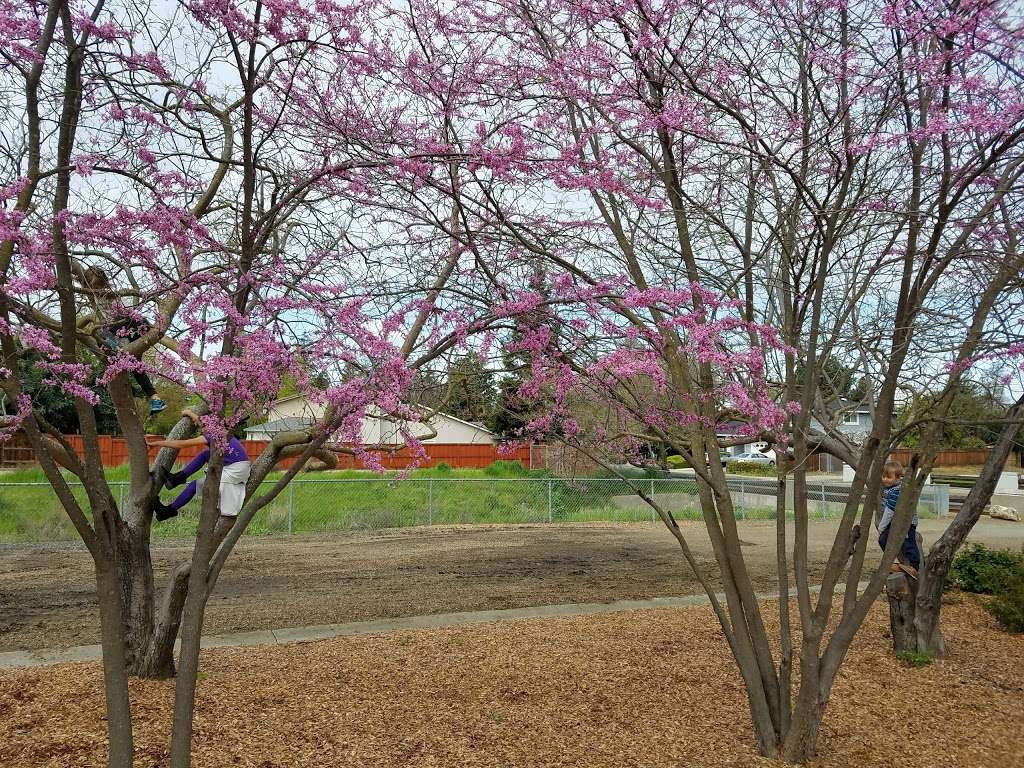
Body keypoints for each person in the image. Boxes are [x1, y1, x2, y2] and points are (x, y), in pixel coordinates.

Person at [79, 266, 165, 416]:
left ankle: (113, 347)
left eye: (99, 286)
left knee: (101, 333)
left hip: (134, 325)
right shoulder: (93, 297)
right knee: (135, 366)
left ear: (105, 284)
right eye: (93, 287)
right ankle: (155, 398)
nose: (97, 290)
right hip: (123, 332)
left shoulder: (114, 296)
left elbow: (126, 316)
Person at [147, 409, 251, 524]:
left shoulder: (212, 435)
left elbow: (181, 444)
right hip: (240, 467)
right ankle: (177, 479)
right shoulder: (219, 433)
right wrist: (188, 413)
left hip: (235, 471)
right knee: (205, 454)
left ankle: (168, 511)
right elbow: (200, 420)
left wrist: (155, 444)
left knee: (195, 485)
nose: (199, 427)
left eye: (200, 425)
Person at [877, 459, 921, 578]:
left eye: (888, 477)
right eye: (884, 476)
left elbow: (890, 511)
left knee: (909, 543)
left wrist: (882, 527)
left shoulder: (897, 490)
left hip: (906, 523)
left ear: (898, 478)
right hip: (895, 522)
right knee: (883, 540)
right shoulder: (890, 489)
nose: (885, 479)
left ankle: (914, 566)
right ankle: (895, 563)